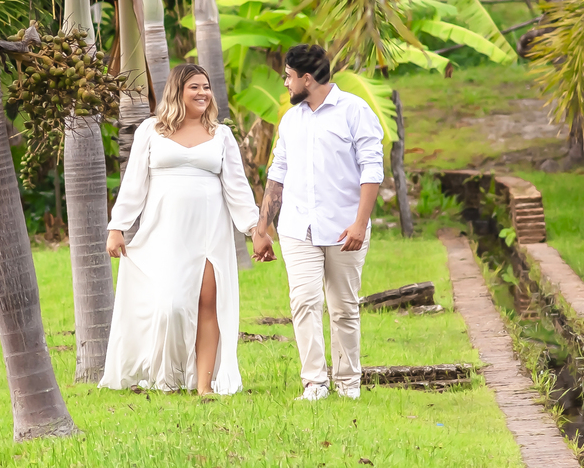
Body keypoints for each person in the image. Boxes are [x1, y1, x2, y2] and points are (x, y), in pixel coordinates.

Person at [100, 63, 262, 396]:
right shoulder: (151, 130)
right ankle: (167, 378)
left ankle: (204, 386)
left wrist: (254, 229)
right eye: (195, 87)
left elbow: (237, 188)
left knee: (208, 304)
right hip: (165, 232)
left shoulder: (222, 135)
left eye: (206, 87)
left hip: (209, 232)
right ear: (178, 91)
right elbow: (133, 184)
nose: (203, 93)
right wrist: (118, 226)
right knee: (170, 306)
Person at [252, 44, 384, 401]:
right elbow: (277, 172)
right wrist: (262, 228)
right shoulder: (291, 119)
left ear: (306, 79)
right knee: (304, 302)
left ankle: (347, 384)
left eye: (289, 77)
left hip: (345, 228)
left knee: (343, 307)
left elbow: (372, 170)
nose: (286, 84)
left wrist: (360, 224)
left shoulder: (355, 112)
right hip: (298, 228)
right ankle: (315, 383)